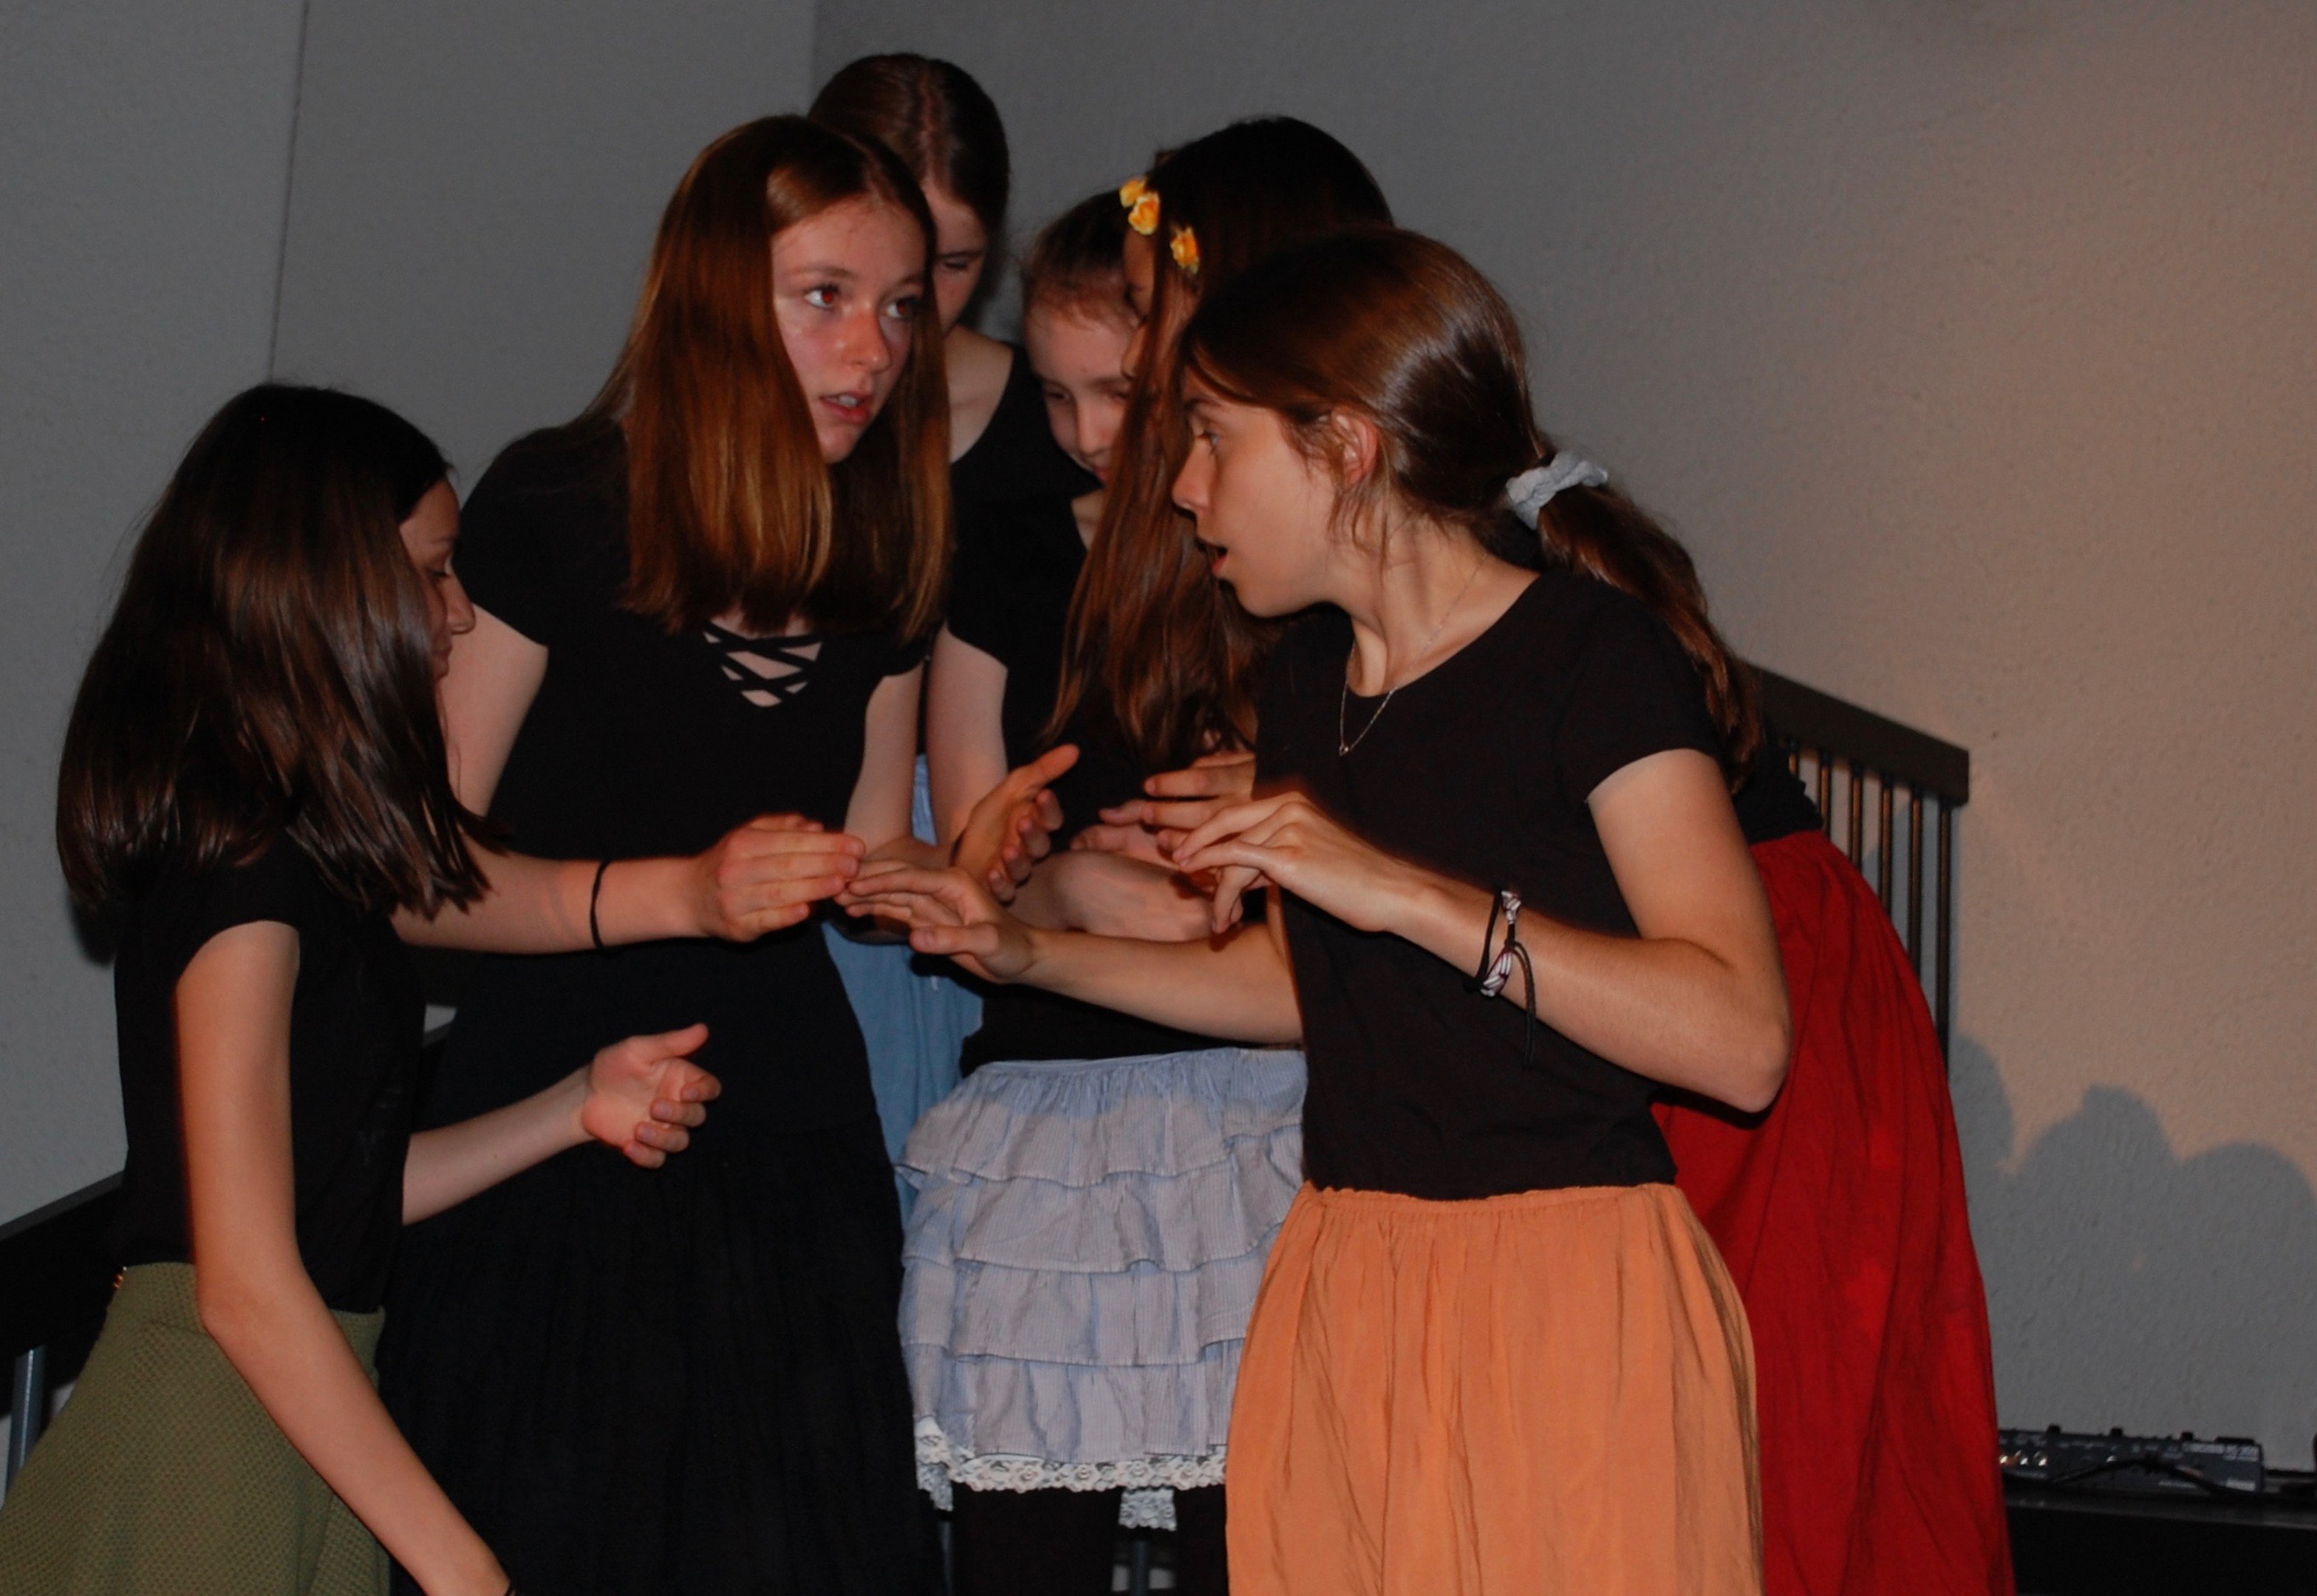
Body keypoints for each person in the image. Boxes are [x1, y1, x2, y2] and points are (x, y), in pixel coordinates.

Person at [847, 228, 1789, 1595]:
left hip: (1565, 1283)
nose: (1182, 486)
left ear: (1344, 447)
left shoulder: (1590, 655)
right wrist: (1028, 950)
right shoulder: (1306, 685)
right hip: (1347, 1276)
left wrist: (1400, 891)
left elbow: (1740, 1040)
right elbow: (1301, 993)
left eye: (1213, 438)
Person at [375, 117, 1054, 1595]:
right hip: (558, 1125)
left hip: (785, 1131)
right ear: (709, 298)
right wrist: (676, 895)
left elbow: (861, 848)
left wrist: (947, 877)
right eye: (823, 297)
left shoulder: (888, 537)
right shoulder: (558, 505)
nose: (872, 349)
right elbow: (411, 875)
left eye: (900, 306)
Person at [0, 385, 726, 1596]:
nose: (459, 611)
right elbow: (244, 1286)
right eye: (436, 573)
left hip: (289, 1412)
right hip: (211, 1429)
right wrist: (459, 1563)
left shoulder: (299, 865)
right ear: (331, 583)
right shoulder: (242, 876)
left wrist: (571, 1108)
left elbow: (326, 1199)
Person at [901, 126, 1396, 1596]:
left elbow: (1317, 905)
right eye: (1061, 395)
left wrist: (1202, 873)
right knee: (1028, 1521)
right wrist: (1039, 881)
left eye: (1132, 363)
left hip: (1254, 1103)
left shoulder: (1310, 585)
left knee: (1266, 1526)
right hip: (1056, 1097)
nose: (1101, 427)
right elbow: (978, 860)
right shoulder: (1021, 563)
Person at [809, 53, 1082, 1170]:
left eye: (953, 266)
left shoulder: (1060, 421)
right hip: (814, 876)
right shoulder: (780, 444)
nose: (908, 310)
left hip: (1007, 878)